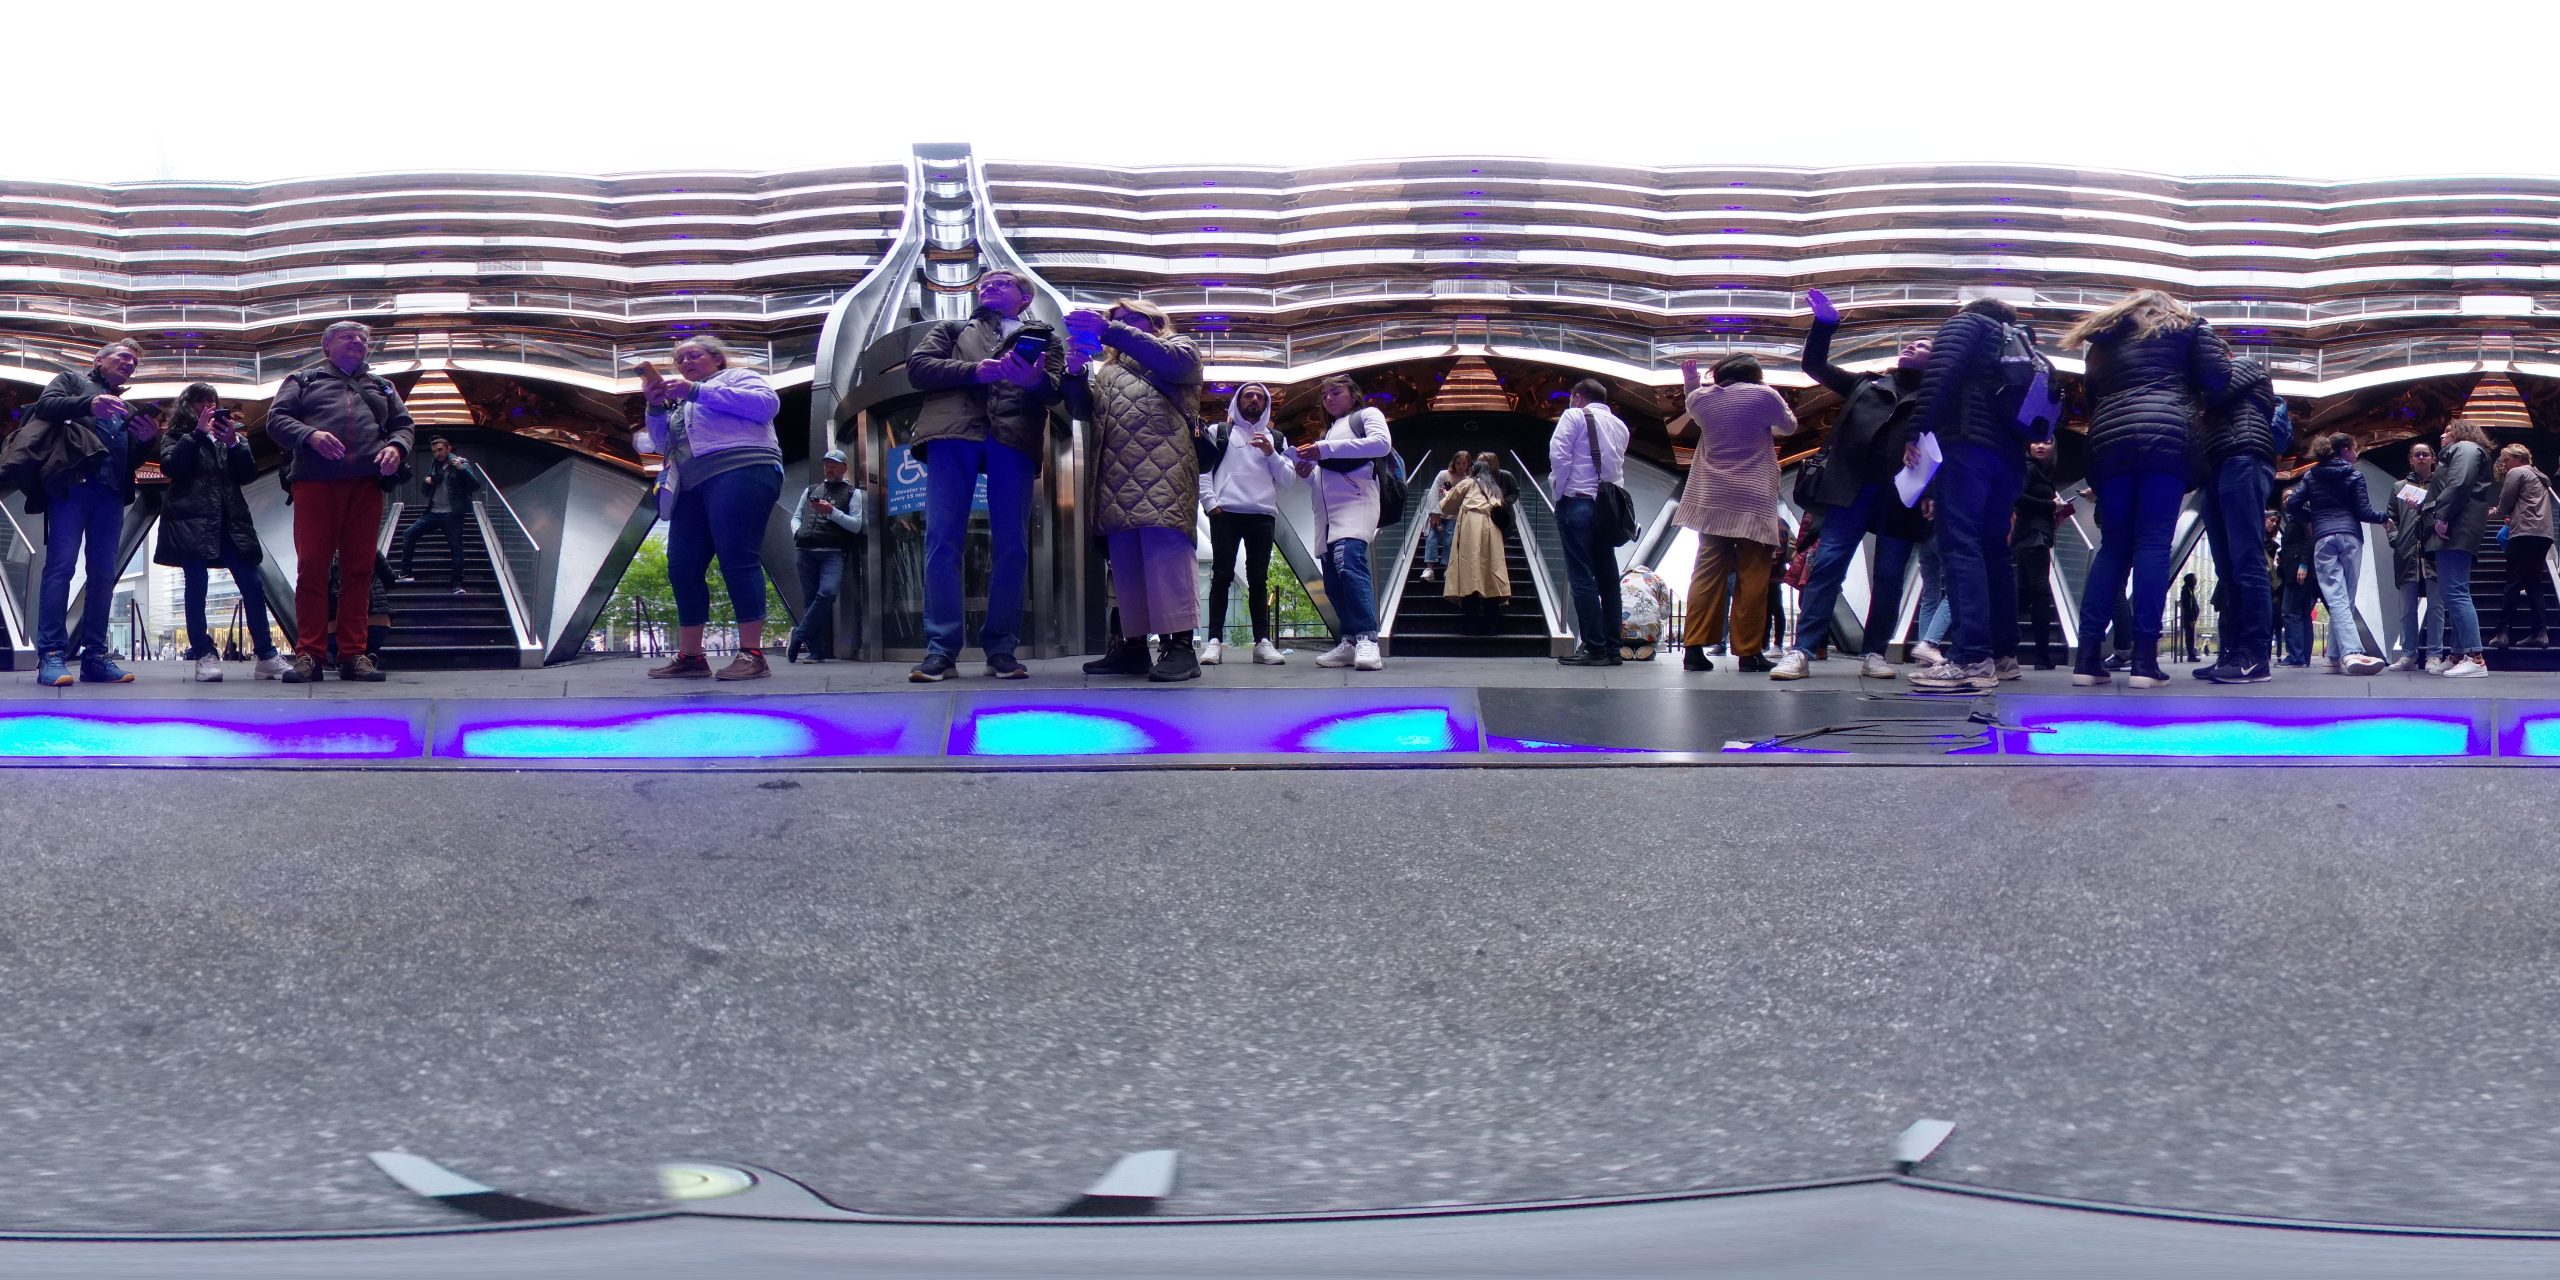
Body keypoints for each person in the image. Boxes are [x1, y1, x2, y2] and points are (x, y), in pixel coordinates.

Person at [2059, 290, 2231, 689]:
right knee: (2153, 544)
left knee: (2113, 547)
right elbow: (2217, 379)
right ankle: (2144, 662)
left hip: (2110, 443)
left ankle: (2087, 660)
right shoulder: (2189, 328)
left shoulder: (2101, 339)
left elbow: (2092, 393)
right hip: (2165, 439)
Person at [904, 270, 1063, 682]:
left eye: (1001, 283)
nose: (988, 287)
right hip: (952, 433)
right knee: (942, 540)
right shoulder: (952, 329)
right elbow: (918, 368)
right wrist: (976, 371)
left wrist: (1035, 380)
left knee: (1013, 544)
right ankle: (940, 651)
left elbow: (1056, 390)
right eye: (985, 285)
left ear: (1024, 298)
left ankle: (1002, 649)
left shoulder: (1045, 338)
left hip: (1014, 435)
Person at [1769, 289, 1927, 681]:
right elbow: (1814, 365)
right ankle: (1802, 650)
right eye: (1911, 343)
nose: (1912, 346)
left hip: (1901, 497)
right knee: (1827, 566)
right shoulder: (1866, 386)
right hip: (1850, 489)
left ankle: (1874, 652)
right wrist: (1824, 325)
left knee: (1889, 576)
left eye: (1924, 346)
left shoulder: (1936, 403)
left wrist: (1935, 494)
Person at [259, 321, 414, 683]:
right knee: (312, 568)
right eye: (348, 337)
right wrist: (309, 435)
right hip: (315, 484)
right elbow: (276, 420)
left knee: (360, 570)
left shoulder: (383, 386)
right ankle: (309, 655)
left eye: (362, 338)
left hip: (366, 485)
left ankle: (353, 655)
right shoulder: (303, 380)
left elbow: (404, 425)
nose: (357, 341)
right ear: (326, 346)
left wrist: (397, 447)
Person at [1063, 299, 1206, 682]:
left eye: (1130, 318)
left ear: (1155, 321)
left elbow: (1177, 365)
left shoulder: (1180, 347)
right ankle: (1132, 646)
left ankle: (1180, 647)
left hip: (1165, 464)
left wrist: (1109, 329)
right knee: (1126, 562)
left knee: (1166, 554)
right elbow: (1085, 411)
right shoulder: (1109, 369)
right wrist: (1074, 374)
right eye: (1116, 320)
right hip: (1114, 471)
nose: (1121, 324)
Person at [5, 339, 161, 686]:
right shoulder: (72, 381)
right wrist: (88, 404)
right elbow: (45, 407)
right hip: (72, 487)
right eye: (124, 357)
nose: (130, 364)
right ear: (99, 359)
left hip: (111, 495)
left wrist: (147, 441)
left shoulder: (125, 407)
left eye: (134, 362)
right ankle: (51, 655)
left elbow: (127, 459)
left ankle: (95, 657)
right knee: (60, 568)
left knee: (103, 575)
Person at [634, 334, 784, 681]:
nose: (685, 363)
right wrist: (655, 407)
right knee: (682, 565)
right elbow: (662, 443)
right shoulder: (679, 402)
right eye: (680, 360)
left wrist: (695, 391)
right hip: (689, 483)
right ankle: (691, 656)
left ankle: (752, 654)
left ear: (717, 359)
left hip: (742, 468)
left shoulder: (737, 378)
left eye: (694, 355)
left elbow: (766, 405)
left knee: (737, 555)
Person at [1905, 298, 2032, 692]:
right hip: (2009, 458)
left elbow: (1940, 375)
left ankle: (1971, 658)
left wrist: (1915, 430)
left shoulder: (1967, 325)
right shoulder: (2020, 342)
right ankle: (2003, 655)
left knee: (1960, 546)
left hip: (1965, 448)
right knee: (1995, 552)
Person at [154, 383, 287, 682]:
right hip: (193, 523)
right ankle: (204, 654)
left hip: (230, 521)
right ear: (188, 405)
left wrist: (234, 444)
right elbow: (171, 467)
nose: (208, 406)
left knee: (252, 584)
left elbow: (247, 475)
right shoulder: (177, 435)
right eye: (201, 401)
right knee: (196, 586)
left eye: (212, 401)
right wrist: (198, 434)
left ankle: (266, 655)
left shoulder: (231, 436)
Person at [1671, 358, 1795, 673]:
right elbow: (1788, 426)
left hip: (1713, 497)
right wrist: (1769, 391)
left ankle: (1694, 650)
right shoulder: (1764, 395)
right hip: (1754, 497)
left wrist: (1690, 378)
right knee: (1753, 575)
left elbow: (1691, 401)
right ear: (1755, 374)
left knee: (1706, 572)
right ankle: (1749, 654)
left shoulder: (1703, 399)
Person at [1292, 374, 1394, 671]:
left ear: (1353, 394)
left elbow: (1381, 444)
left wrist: (1323, 451)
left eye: (1335, 392)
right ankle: (1349, 641)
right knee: (1334, 581)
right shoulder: (1328, 431)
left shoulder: (1367, 415)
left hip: (1356, 503)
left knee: (1349, 564)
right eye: (1324, 395)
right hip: (1326, 514)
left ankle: (1367, 638)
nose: (1328, 398)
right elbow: (1324, 476)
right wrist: (1306, 471)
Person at [2189, 359, 2283, 683]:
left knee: (2247, 561)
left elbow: (2213, 394)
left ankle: (2254, 656)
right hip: (2215, 465)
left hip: (2243, 457)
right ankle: (2231, 653)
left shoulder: (2243, 366)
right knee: (2227, 569)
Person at [1196, 382, 1296, 665]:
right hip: (1225, 513)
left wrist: (1271, 453)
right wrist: (1210, 504)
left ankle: (1262, 642)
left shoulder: (1277, 438)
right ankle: (1214, 641)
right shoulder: (1219, 432)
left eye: (1259, 396)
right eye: (1248, 395)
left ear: (1266, 404)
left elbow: (1288, 480)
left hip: (1262, 514)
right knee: (1221, 576)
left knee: (1258, 579)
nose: (1254, 400)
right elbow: (1203, 469)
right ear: (1237, 402)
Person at [2283, 432, 2390, 676]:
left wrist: (2314, 518)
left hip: (2323, 539)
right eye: (2355, 448)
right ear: (2345, 450)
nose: (2357, 453)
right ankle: (2352, 652)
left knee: (2337, 596)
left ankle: (2332, 657)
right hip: (2350, 537)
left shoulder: (2311, 475)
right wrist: (2384, 518)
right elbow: (2364, 512)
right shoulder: (2354, 475)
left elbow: (2292, 504)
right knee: (2345, 597)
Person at [1552, 378, 1635, 667]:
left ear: (1578, 397)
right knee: (1608, 579)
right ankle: (1613, 648)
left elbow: (1559, 455)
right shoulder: (1620, 426)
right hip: (1607, 509)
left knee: (1581, 575)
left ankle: (1594, 646)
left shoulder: (1574, 415)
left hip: (1577, 501)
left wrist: (1560, 493)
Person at [2423, 419, 2495, 677]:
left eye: (2448, 431)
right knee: (2453, 591)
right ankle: (2457, 654)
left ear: (2462, 433)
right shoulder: (2466, 450)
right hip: (2459, 526)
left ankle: (2476, 658)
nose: (2442, 436)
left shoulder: (2465, 448)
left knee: (2454, 591)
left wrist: (2442, 515)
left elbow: (2459, 483)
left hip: (2457, 527)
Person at [785, 448, 864, 664]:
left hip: (833, 553)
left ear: (844, 468)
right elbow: (796, 517)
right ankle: (816, 651)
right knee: (810, 600)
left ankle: (799, 634)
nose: (829, 469)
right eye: (827, 465)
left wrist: (832, 512)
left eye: (834, 465)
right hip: (805, 551)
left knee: (828, 593)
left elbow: (856, 525)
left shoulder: (853, 493)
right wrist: (797, 532)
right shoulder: (811, 490)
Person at [393, 436, 481, 593]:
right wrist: (426, 483)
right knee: (409, 533)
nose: (437, 454)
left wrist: (461, 469)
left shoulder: (461, 463)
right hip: (433, 513)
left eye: (440, 450)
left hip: (452, 514)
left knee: (456, 548)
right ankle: (405, 572)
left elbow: (475, 485)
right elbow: (425, 492)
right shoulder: (435, 466)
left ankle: (457, 584)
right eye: (434, 451)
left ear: (449, 448)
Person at [2488, 443, 2554, 649]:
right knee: (2533, 583)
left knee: (2513, 582)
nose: (2504, 464)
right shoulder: (2540, 476)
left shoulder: (2517, 472)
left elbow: (2505, 501)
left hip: (2524, 533)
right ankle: (2540, 632)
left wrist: (2497, 512)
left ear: (2519, 458)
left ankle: (2502, 632)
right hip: (2543, 534)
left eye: (2507, 459)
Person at [2014, 438, 2070, 671]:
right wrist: (2051, 506)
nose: (2040, 446)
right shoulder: (2029, 468)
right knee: (2040, 595)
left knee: (2024, 594)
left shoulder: (2038, 471)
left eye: (2046, 442)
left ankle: (2006, 650)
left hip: (2030, 537)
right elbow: (2018, 497)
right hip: (2032, 537)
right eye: (2036, 442)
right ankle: (2041, 656)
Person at [1439, 457, 1511, 635]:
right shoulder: (1495, 488)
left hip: (1471, 527)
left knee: (1469, 572)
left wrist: (1446, 495)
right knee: (1491, 572)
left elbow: (1447, 506)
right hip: (1493, 530)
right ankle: (1491, 624)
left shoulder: (1469, 483)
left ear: (1474, 470)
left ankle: (1471, 624)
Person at [2388, 442, 2437, 670]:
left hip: (2434, 552)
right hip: (2406, 552)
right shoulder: (2399, 487)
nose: (2421, 457)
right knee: (2407, 609)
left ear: (2433, 458)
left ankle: (2434, 654)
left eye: (2425, 454)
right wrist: (2395, 540)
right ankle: (2408, 654)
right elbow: (2391, 518)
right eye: (2417, 454)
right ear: (2411, 460)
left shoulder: (2441, 484)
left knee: (2436, 606)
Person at [1421, 451, 1471, 584]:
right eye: (1458, 463)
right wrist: (1434, 512)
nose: (1460, 466)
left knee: (1450, 541)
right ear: (1454, 463)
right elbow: (1433, 493)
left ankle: (1447, 568)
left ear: (1468, 464)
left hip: (1455, 516)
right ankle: (1429, 569)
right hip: (1438, 513)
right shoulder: (1443, 474)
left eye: (1464, 463)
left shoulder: (1468, 480)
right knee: (1432, 539)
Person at [2275, 503, 2315, 667]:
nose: (2286, 501)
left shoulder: (2301, 517)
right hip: (2298, 571)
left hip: (2297, 572)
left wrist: (2303, 564)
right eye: (2283, 498)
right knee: (2303, 614)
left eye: (2289, 496)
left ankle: (2296, 657)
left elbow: (2309, 540)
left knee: (2290, 612)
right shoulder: (2300, 518)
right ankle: (2303, 657)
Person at [2175, 573, 2200, 664]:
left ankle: (2191, 655)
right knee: (2189, 637)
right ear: (2190, 580)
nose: (2196, 580)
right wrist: (2191, 619)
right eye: (2194, 578)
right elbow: (2187, 607)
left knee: (2190, 637)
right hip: (2189, 619)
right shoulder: (2186, 591)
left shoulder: (2189, 590)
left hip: (2191, 618)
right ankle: (2191, 656)